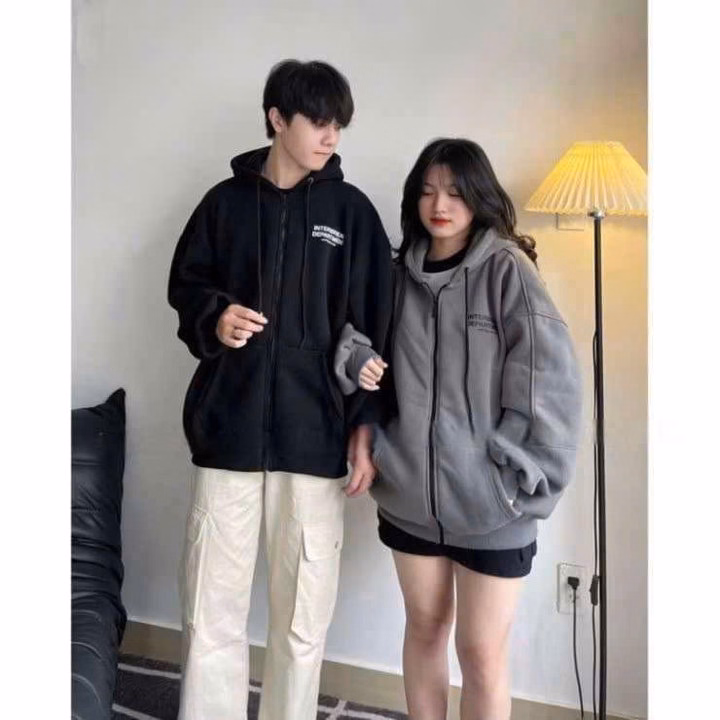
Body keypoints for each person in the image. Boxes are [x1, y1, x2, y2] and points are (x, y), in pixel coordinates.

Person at [167, 59, 393, 720]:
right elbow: (187, 288)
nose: (331, 136)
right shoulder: (224, 204)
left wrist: (365, 431)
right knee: (210, 611)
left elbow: (375, 327)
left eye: (338, 124)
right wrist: (217, 318)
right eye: (318, 121)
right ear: (276, 118)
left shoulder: (351, 213)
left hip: (314, 437)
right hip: (227, 433)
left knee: (302, 620)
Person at [335, 138, 583, 720]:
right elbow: (352, 335)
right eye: (427, 191)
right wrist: (357, 360)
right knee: (424, 629)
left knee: (481, 653)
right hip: (408, 499)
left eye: (453, 191)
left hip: (495, 506)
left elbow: (549, 380)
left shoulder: (507, 270)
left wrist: (518, 478)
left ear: (478, 195)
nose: (439, 204)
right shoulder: (395, 275)